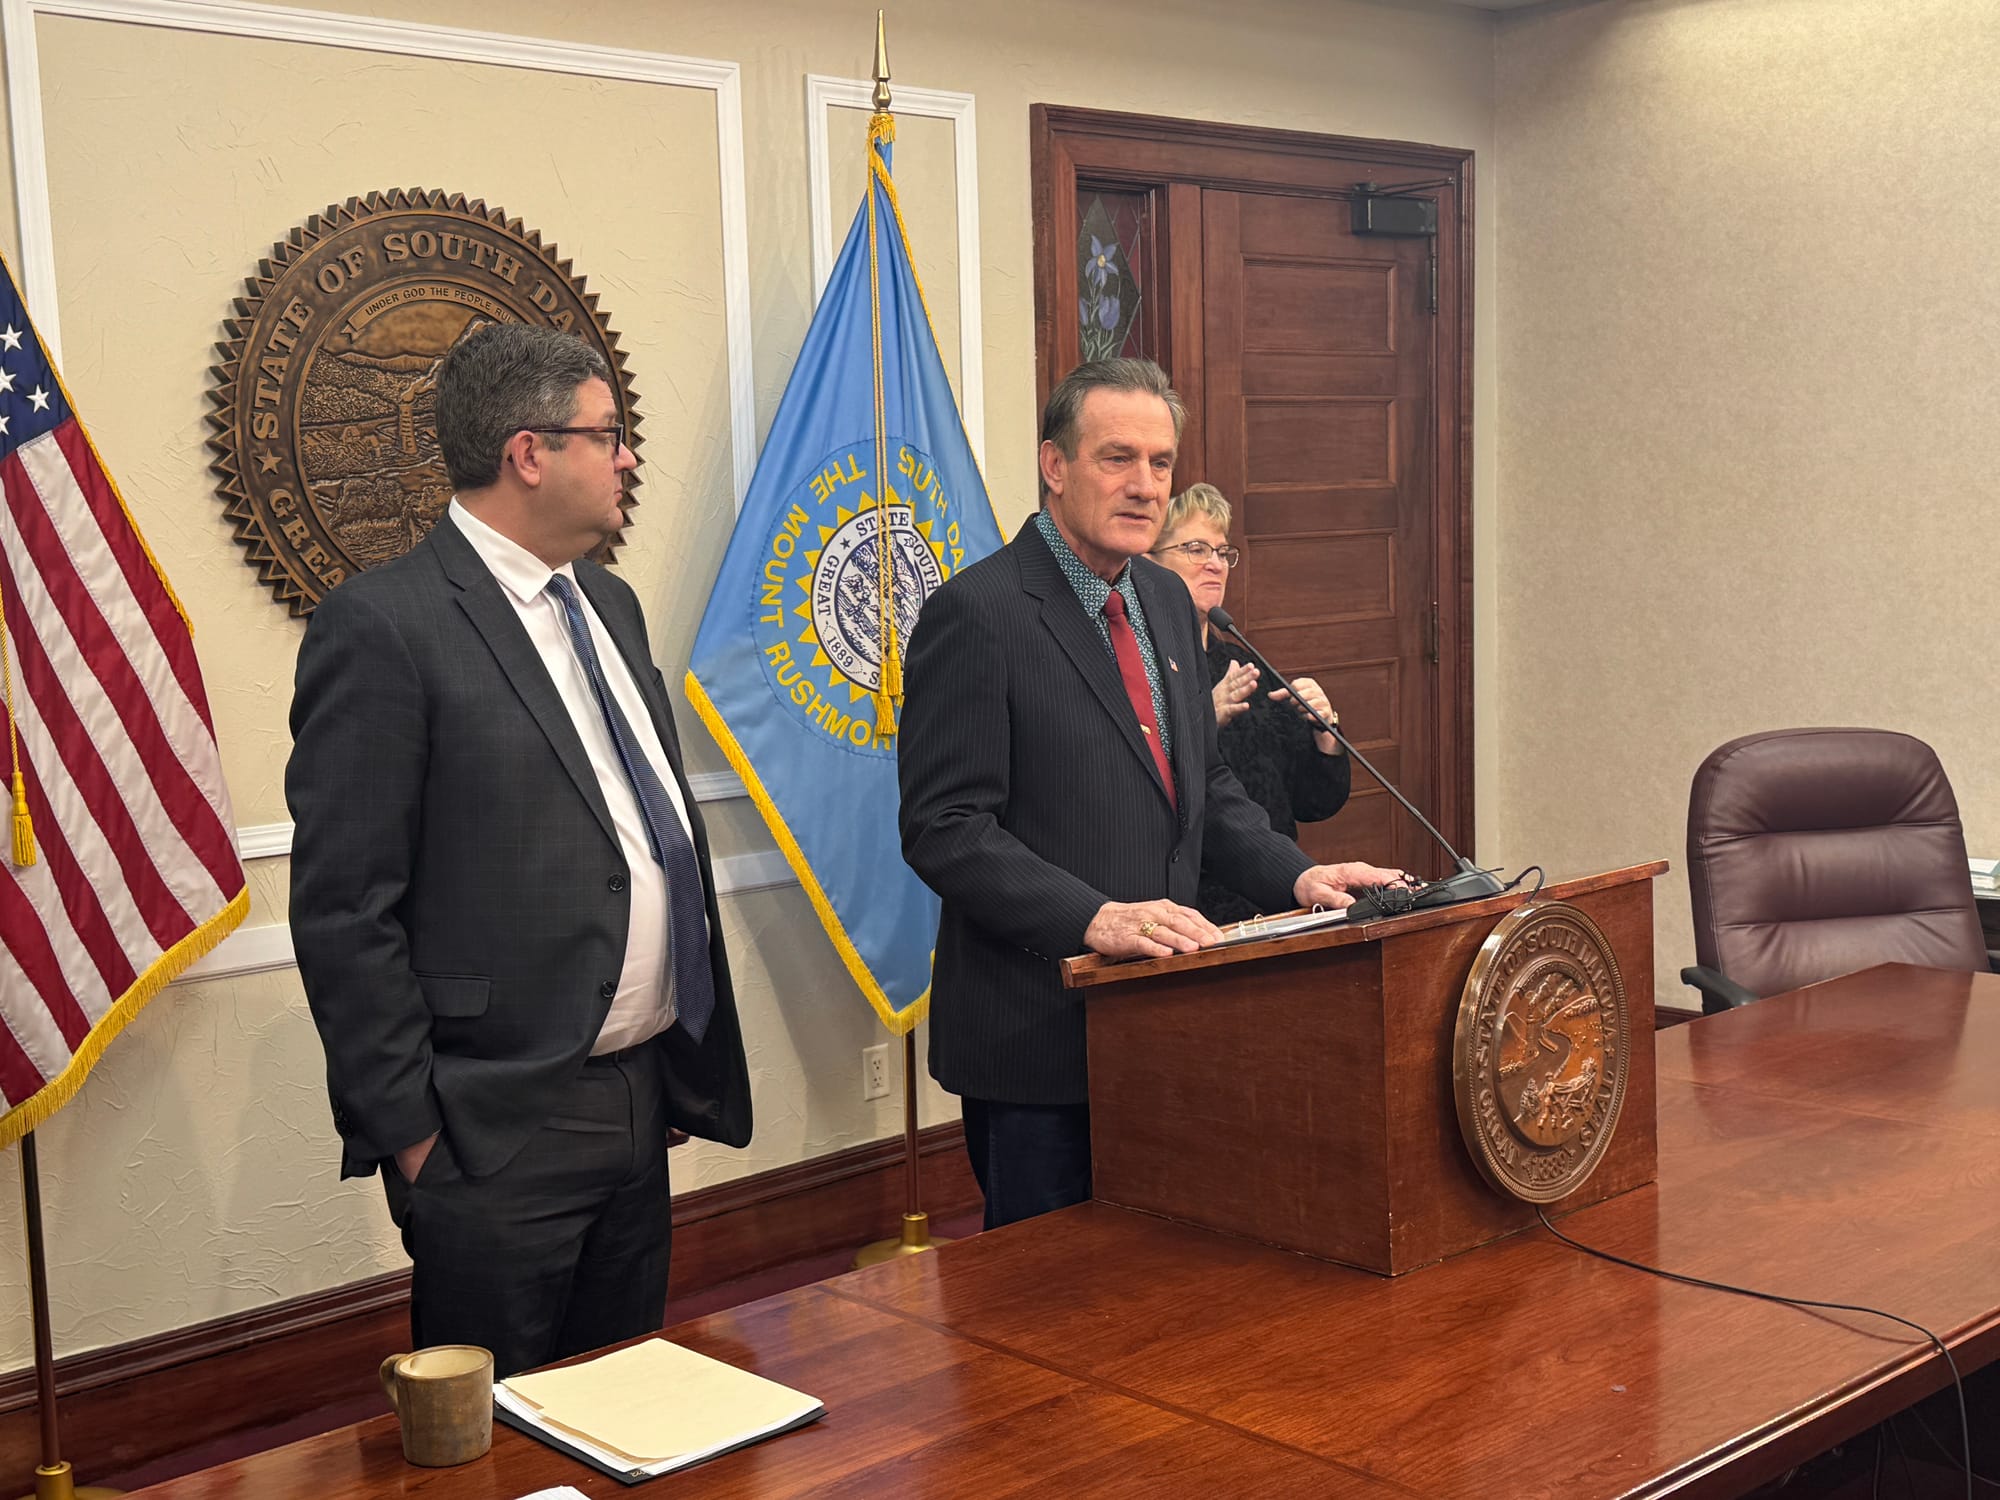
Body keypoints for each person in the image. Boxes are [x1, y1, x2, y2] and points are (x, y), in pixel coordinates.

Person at [286, 323, 751, 1377]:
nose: (629, 456)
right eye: (609, 434)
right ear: (528, 452)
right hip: (492, 1126)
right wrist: (416, 1139)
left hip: (639, 1098)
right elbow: (343, 907)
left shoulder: (611, 605)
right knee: (498, 1442)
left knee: (621, 1400)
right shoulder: (385, 624)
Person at [897, 358, 1402, 1230]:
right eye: (1116, 459)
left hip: (1167, 1025)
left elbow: (1201, 782)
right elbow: (945, 829)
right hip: (1040, 1036)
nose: (1144, 488)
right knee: (1047, 1312)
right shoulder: (978, 615)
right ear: (1055, 467)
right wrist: (1094, 917)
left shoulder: (1167, 599)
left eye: (1160, 465)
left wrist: (1296, 878)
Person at [1150, 483, 1351, 924]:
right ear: (1147, 562)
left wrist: (1326, 732)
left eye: (1222, 552)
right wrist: (1204, 721)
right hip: (1194, 912)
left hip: (1279, 896)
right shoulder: (1140, 668)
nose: (1215, 565)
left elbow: (1312, 803)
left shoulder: (1242, 664)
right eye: (1196, 548)